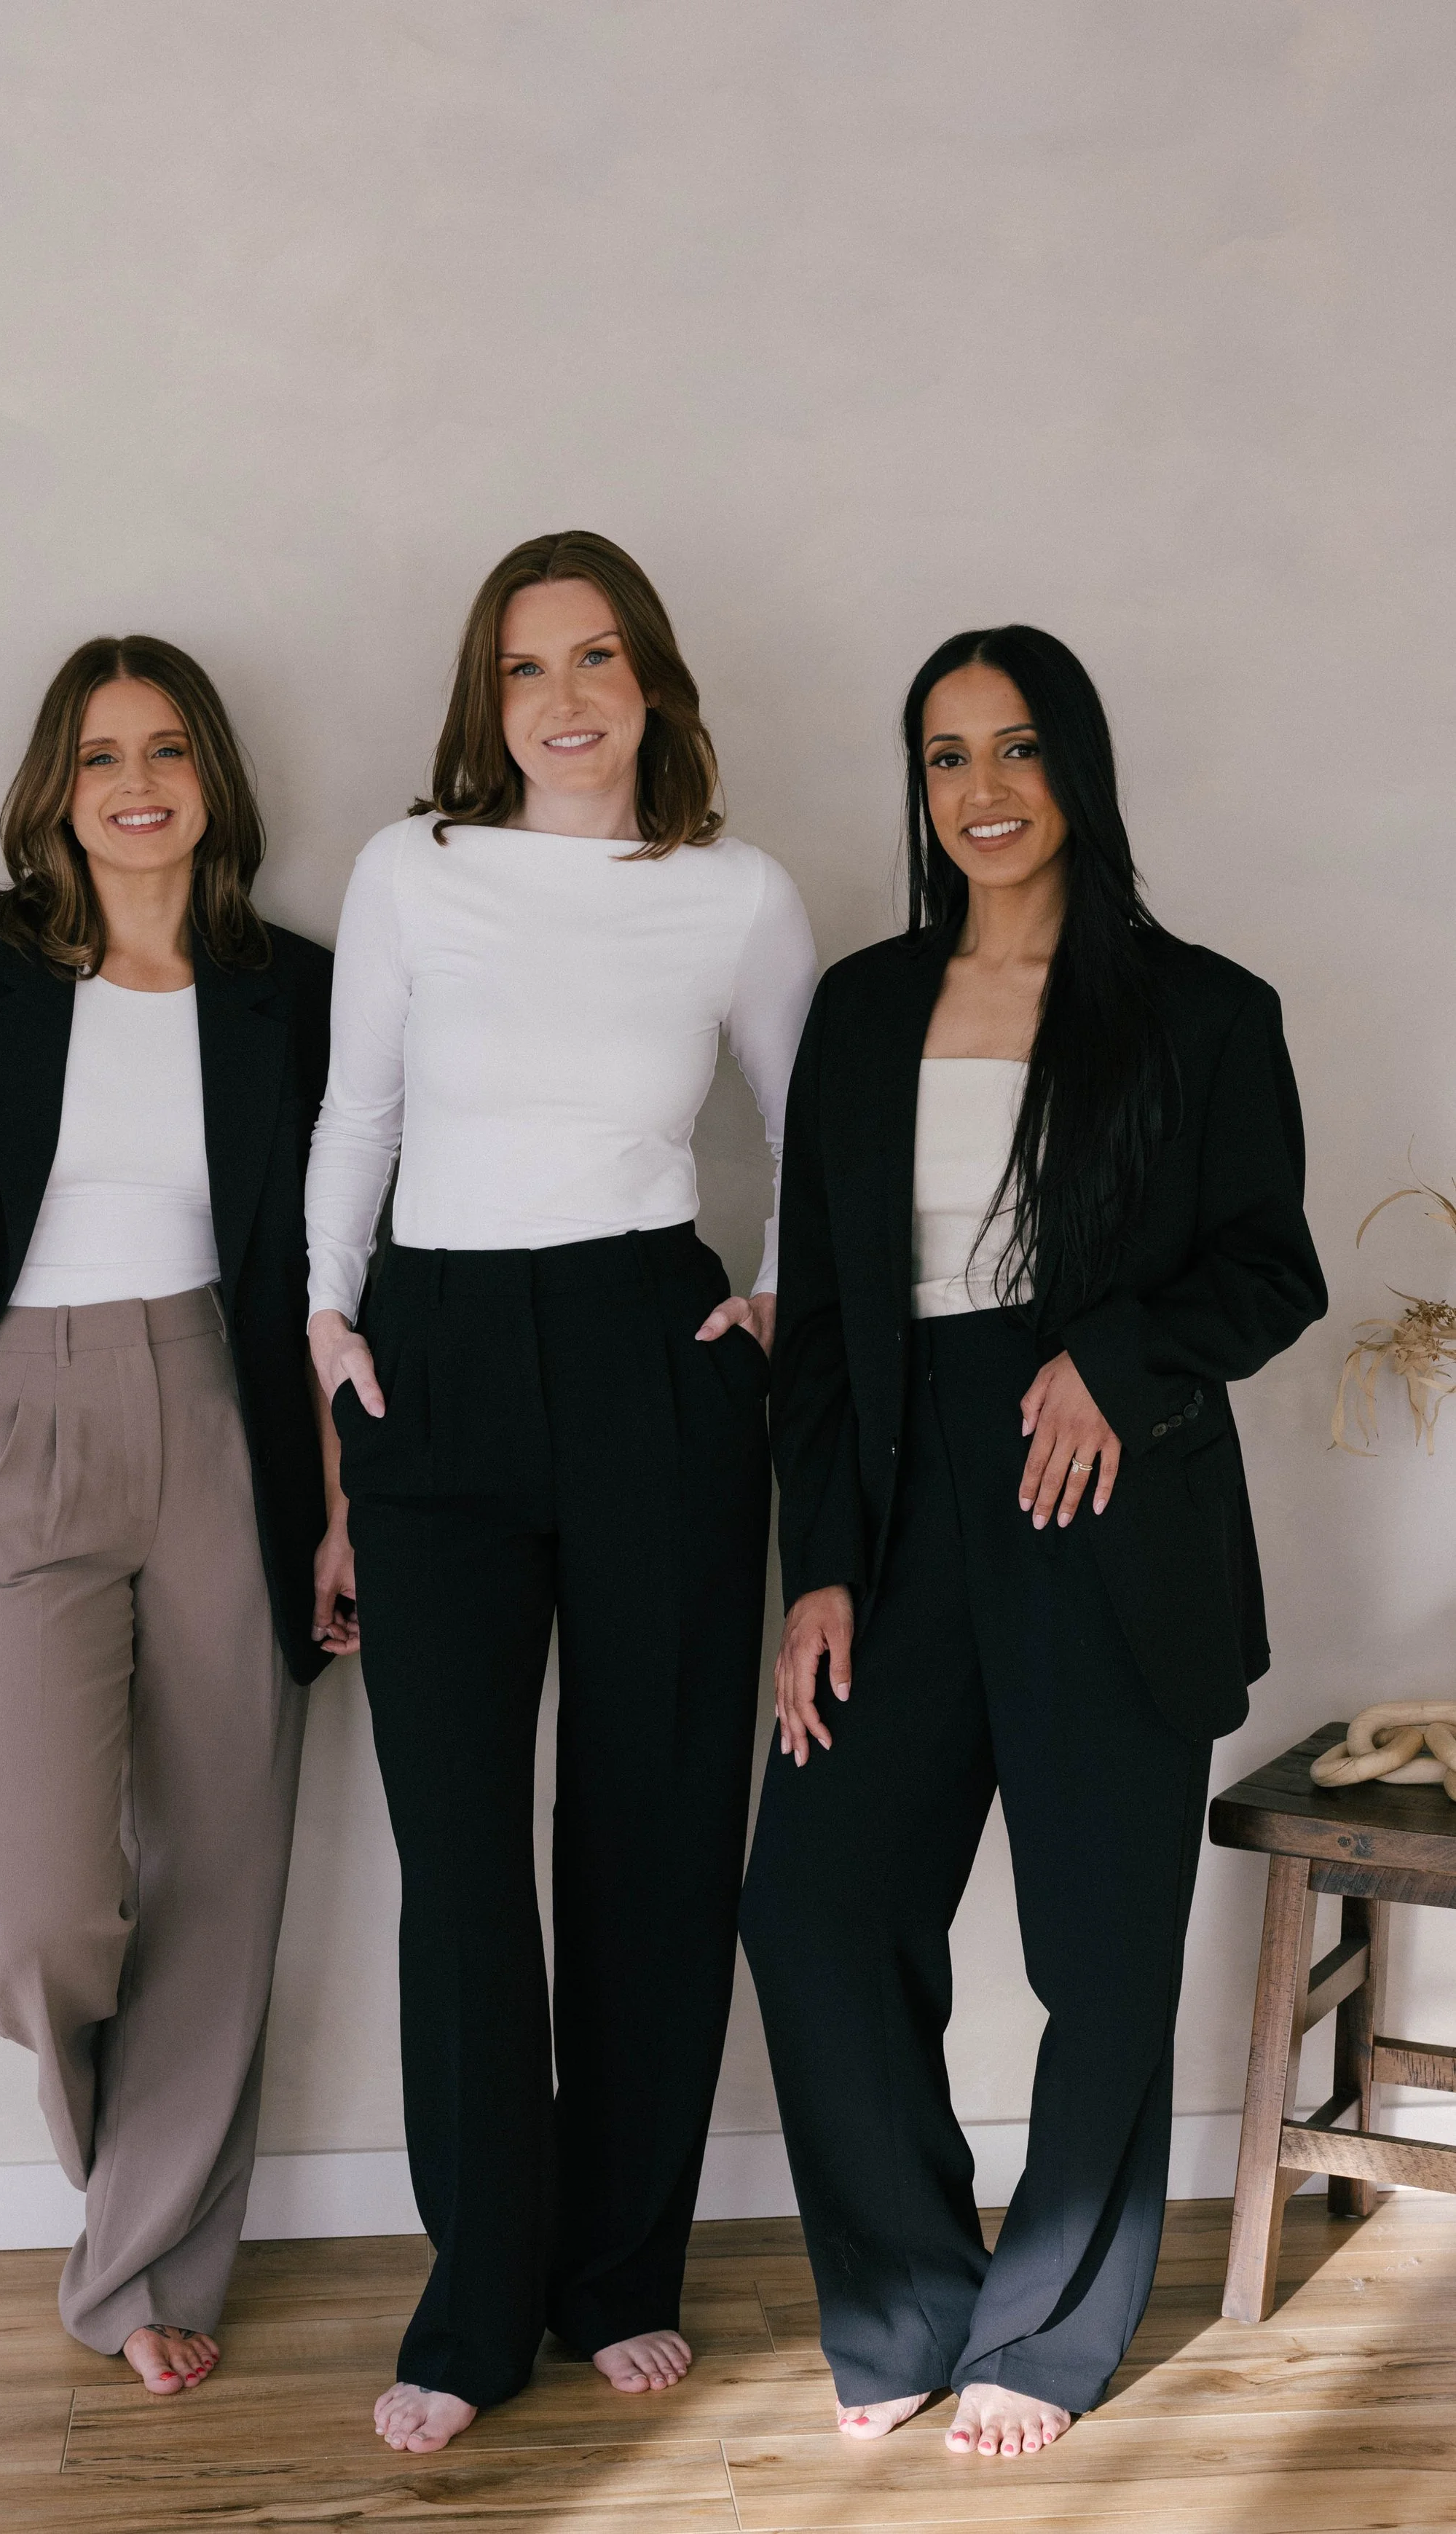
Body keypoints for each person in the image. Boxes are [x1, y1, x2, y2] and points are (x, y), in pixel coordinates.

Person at [739, 625, 1326, 2461]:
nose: (980, 790)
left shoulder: (1200, 1009)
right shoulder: (859, 1008)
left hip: (1103, 1507)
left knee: (1099, 1944)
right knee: (814, 1902)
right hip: (896, 1504)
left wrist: (1113, 1364)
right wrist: (818, 1563)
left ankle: (1049, 2328)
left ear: (1074, 764)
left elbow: (1269, 1266)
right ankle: (907, 2300)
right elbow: (823, 1321)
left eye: (1013, 748)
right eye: (943, 756)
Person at [304, 530, 816, 2452]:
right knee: (457, 1854)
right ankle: (474, 2299)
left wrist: (775, 1294)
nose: (566, 697)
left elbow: (817, 1126)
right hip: (430, 1354)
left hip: (644, 1344)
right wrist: (328, 1313)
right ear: (486, 699)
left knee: (651, 1828)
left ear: (651, 676)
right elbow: (360, 1107)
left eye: (597, 656)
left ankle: (616, 2271)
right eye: (526, 667)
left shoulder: (736, 892)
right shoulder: (409, 867)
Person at [0, 636, 345, 2396]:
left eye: (170, 748)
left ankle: (140, 2269)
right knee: (39, 1903)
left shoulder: (295, 994)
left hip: (229, 1420)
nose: (138, 782)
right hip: (16, 1420)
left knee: (221, 1866)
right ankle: (130, 2175)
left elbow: (331, 1269)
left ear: (215, 780)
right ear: (55, 783)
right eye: (103, 752)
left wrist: (334, 1505)